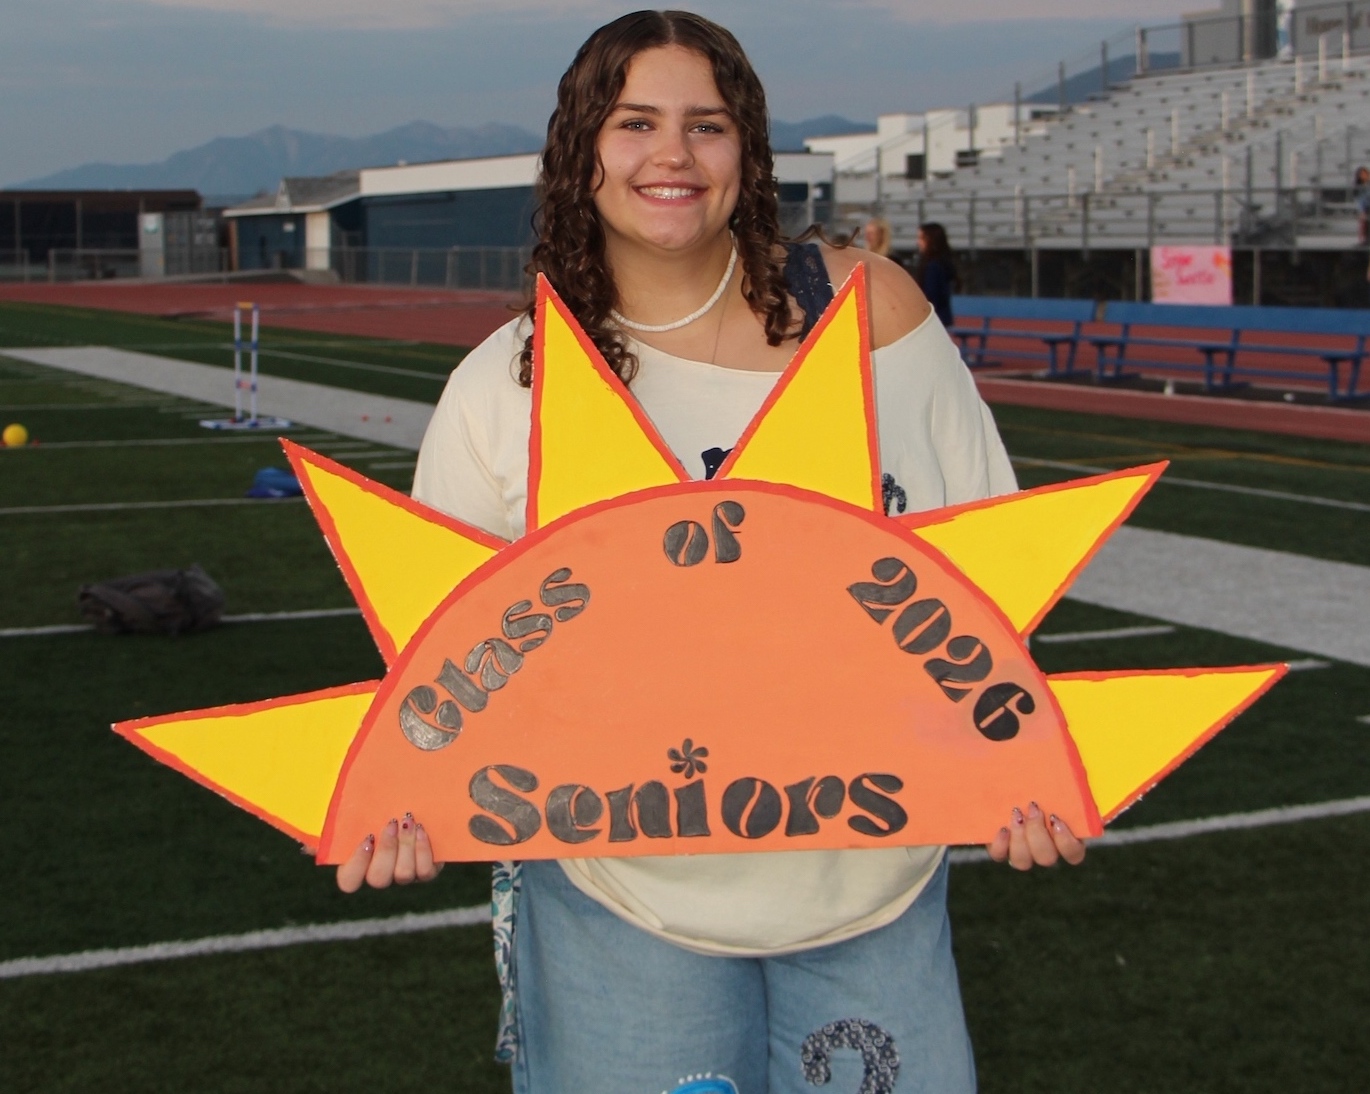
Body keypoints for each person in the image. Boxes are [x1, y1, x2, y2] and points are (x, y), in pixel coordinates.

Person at [336, 12, 1085, 1093]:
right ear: (578, 150)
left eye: (708, 125)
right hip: (620, 905)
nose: (672, 156)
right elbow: (442, 674)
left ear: (750, 153)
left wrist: (1016, 764)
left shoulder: (866, 315)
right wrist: (402, 803)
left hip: (867, 884)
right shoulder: (506, 386)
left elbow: (992, 583)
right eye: (633, 122)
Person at [914, 221, 958, 329]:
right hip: (940, 318)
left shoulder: (934, 266)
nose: (918, 242)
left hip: (934, 320)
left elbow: (931, 296)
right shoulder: (942, 263)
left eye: (921, 238)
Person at [1354, 166, 1370, 246]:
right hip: (1366, 207)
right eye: (1361, 174)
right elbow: (1360, 200)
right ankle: (1366, 240)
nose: (1363, 176)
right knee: (1365, 217)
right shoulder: (1358, 187)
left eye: (1365, 174)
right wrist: (1362, 210)